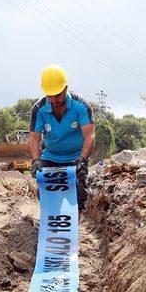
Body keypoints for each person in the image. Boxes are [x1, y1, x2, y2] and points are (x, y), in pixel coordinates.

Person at [29, 64, 95, 211]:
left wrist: (82, 160)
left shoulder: (81, 106)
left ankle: (72, 232)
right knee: (46, 191)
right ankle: (51, 229)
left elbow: (89, 135)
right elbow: (34, 138)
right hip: (50, 156)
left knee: (77, 194)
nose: (53, 100)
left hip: (76, 157)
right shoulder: (39, 109)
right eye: (49, 96)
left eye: (57, 95)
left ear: (65, 88)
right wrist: (36, 160)